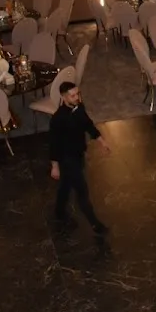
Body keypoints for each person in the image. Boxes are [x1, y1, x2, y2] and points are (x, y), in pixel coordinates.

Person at [49, 81, 110, 234]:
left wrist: (101, 141)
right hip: (67, 159)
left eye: (77, 94)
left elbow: (88, 125)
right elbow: (54, 144)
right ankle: (95, 224)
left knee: (65, 185)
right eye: (72, 95)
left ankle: (59, 211)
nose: (76, 97)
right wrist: (55, 166)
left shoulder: (79, 107)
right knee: (82, 192)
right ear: (64, 97)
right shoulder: (58, 119)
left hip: (78, 154)